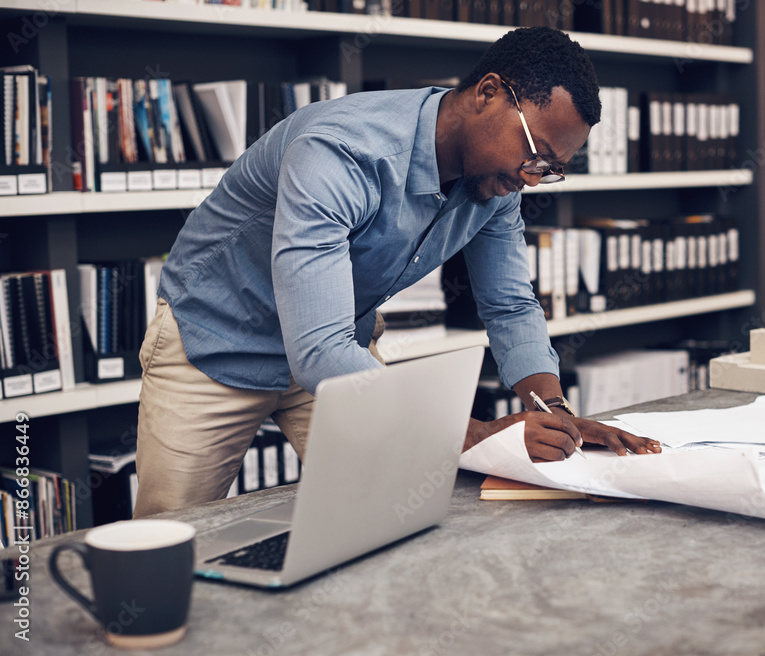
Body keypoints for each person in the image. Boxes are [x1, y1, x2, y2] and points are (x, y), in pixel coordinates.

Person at [133, 25, 661, 518]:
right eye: (535, 154)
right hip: (218, 344)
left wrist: (554, 413)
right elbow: (317, 353)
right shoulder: (339, 151)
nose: (534, 178)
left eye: (551, 169)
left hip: (338, 347)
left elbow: (509, 304)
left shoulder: (497, 182)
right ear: (489, 93)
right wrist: (481, 435)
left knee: (384, 518)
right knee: (172, 545)